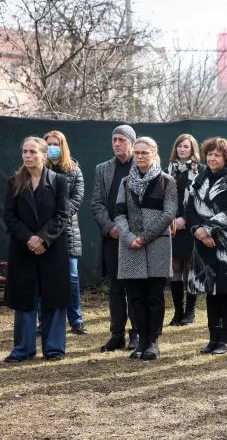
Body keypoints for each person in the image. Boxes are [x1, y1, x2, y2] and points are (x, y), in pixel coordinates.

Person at [3, 137, 70, 363]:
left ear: (44, 155)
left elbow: (63, 215)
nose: (27, 156)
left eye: (32, 151)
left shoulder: (59, 181)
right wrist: (29, 239)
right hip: (23, 250)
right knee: (24, 299)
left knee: (54, 299)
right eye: (24, 151)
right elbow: (9, 216)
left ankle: (54, 349)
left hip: (52, 249)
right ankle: (23, 350)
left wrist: (42, 239)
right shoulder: (14, 182)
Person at [186, 137, 227, 356]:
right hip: (204, 245)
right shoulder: (200, 177)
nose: (212, 158)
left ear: (226, 157)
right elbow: (189, 209)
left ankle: (226, 340)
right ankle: (213, 338)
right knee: (210, 293)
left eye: (217, 155)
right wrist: (197, 231)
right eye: (209, 154)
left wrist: (209, 229)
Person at [114, 137, 175, 361]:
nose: (139, 156)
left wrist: (145, 237)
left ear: (154, 153)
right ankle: (140, 340)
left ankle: (153, 342)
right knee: (136, 298)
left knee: (154, 297)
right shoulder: (126, 182)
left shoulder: (166, 182)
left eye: (144, 152)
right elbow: (119, 213)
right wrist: (129, 237)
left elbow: (169, 214)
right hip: (131, 247)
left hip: (157, 245)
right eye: (137, 152)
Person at [91, 125, 139, 352]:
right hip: (112, 238)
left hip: (137, 239)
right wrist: (110, 228)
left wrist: (132, 232)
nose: (117, 143)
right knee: (116, 289)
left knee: (136, 288)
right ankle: (117, 335)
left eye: (121, 139)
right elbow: (97, 203)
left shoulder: (142, 165)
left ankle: (137, 334)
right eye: (114, 140)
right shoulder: (103, 169)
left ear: (132, 142)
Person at [40, 130, 87, 335]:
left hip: (68, 232)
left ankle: (75, 320)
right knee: (44, 278)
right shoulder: (38, 170)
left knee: (72, 277)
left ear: (63, 146)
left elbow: (76, 200)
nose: (52, 147)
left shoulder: (74, 170)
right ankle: (44, 321)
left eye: (55, 143)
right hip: (43, 232)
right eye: (48, 143)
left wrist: (58, 218)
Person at [167, 133, 205, 326]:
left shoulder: (201, 171)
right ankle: (177, 312)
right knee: (175, 268)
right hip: (172, 226)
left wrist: (186, 220)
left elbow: (201, 202)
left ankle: (190, 312)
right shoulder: (168, 171)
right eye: (180, 146)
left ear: (193, 150)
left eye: (186, 147)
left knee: (190, 267)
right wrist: (171, 218)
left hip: (191, 226)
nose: (182, 149)